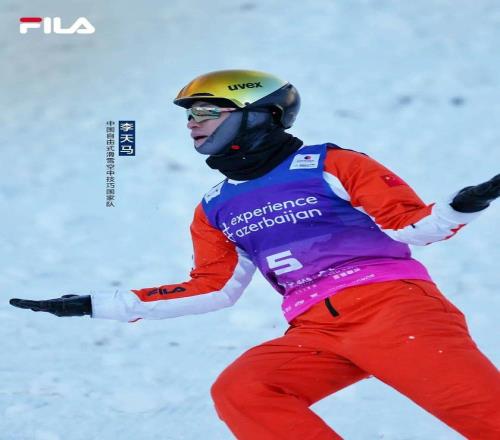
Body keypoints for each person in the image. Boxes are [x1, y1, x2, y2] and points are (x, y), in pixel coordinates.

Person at [10, 70, 500, 439]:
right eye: (188, 115)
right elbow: (213, 288)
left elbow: (412, 226)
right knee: (245, 389)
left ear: (258, 113)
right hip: (315, 331)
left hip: (393, 311)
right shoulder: (215, 206)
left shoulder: (332, 164)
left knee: (488, 419)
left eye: (206, 111)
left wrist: (464, 204)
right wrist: (97, 303)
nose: (192, 123)